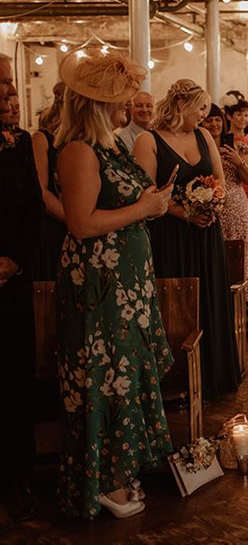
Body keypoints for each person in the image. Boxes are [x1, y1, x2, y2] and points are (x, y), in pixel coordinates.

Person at [54, 51, 173, 519]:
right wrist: (143, 210)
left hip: (125, 288)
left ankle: (121, 472)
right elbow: (81, 224)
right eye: (122, 99)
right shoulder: (78, 150)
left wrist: (149, 201)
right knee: (105, 381)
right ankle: (101, 481)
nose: (129, 105)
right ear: (99, 104)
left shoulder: (114, 147)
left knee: (126, 377)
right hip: (99, 288)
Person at [134, 80, 241, 399]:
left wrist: (213, 205)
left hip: (206, 233)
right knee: (175, 305)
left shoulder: (204, 136)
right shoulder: (147, 140)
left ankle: (213, 376)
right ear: (182, 107)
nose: (205, 116)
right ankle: (175, 378)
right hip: (169, 235)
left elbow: (220, 181)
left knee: (210, 295)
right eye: (201, 109)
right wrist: (186, 213)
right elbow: (148, 194)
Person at [0, 54, 43, 522]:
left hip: (13, 283)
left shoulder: (20, 143)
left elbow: (32, 212)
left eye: (12, 86)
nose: (13, 96)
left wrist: (16, 261)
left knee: (15, 383)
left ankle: (19, 478)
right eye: (4, 87)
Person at [203, 103, 248, 307]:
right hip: (212, 206)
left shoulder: (238, 145)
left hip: (237, 205)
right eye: (209, 120)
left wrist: (237, 160)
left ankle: (243, 302)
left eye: (217, 120)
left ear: (223, 122)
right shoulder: (200, 146)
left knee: (240, 254)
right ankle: (218, 301)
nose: (214, 124)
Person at [31, 82, 67, 281]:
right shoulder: (42, 138)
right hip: (54, 226)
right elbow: (42, 191)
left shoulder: (79, 139)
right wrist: (73, 220)